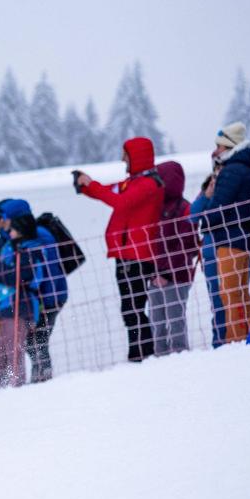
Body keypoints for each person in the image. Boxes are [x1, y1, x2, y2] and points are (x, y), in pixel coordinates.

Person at [75, 136, 164, 362]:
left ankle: (142, 351)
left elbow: (119, 202)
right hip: (127, 254)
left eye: (126, 154)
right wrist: (86, 186)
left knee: (132, 307)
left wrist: (91, 185)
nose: (122, 159)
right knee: (130, 307)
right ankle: (140, 351)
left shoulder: (148, 184)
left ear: (136, 157)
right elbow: (110, 191)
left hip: (136, 255)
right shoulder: (133, 182)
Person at [196, 123, 250, 343]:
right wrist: (246, 210)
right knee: (240, 292)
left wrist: (205, 222)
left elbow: (219, 205)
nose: (216, 151)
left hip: (229, 238)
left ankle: (236, 341)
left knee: (229, 293)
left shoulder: (232, 170)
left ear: (230, 146)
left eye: (219, 146)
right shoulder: (248, 167)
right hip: (244, 237)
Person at [0, 199, 69, 383]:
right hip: (45, 295)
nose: (4, 224)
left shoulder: (37, 236)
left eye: (6, 220)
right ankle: (41, 375)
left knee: (37, 339)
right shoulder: (32, 234)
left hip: (49, 297)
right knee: (35, 340)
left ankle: (43, 377)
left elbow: (33, 266)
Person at [0, 214, 39, 391]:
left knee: (14, 351)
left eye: (13, 229)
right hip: (5, 307)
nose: (10, 232)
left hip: (18, 308)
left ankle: (17, 385)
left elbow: (23, 276)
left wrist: (0, 268)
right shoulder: (11, 248)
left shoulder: (26, 251)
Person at [150, 161, 199, 355]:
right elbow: (150, 244)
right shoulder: (155, 208)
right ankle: (159, 358)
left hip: (178, 276)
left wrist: (167, 273)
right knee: (157, 320)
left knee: (175, 318)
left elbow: (187, 246)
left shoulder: (185, 208)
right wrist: (153, 272)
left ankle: (179, 355)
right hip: (154, 276)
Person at [191, 159, 229, 346]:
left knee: (233, 296)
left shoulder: (234, 189)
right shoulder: (208, 191)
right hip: (210, 253)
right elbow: (193, 215)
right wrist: (207, 195)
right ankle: (219, 341)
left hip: (231, 247)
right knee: (217, 300)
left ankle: (236, 335)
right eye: (216, 171)